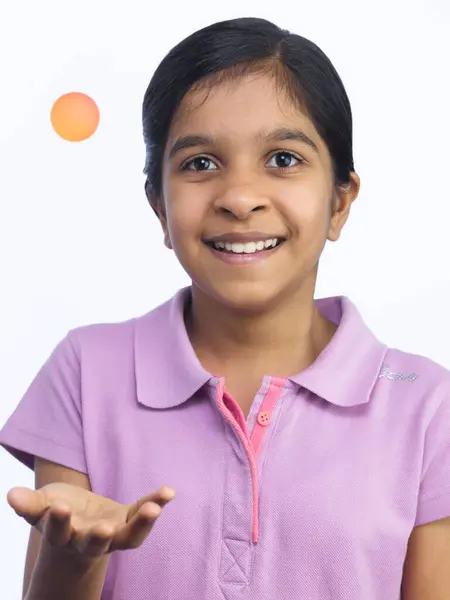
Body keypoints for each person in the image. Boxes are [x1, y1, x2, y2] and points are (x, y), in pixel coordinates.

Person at [1, 16, 449, 600]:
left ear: (340, 201)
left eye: (283, 159)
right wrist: (75, 559)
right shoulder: (86, 371)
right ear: (159, 206)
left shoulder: (426, 403)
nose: (239, 198)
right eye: (200, 164)